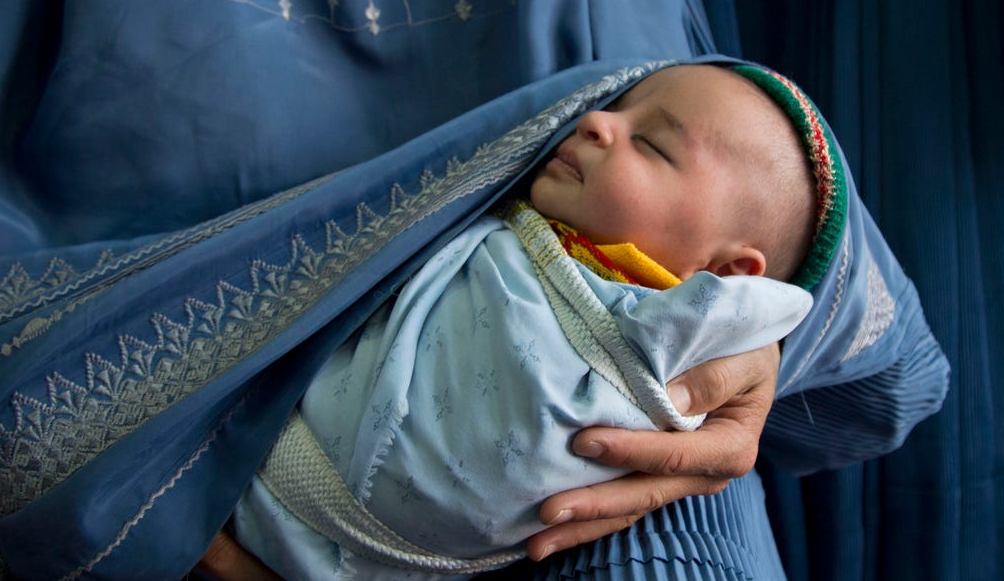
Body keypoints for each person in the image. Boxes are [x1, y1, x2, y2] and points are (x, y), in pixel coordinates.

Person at [225, 63, 838, 579]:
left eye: (650, 144)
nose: (595, 121)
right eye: (616, 107)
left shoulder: (663, 339)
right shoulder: (525, 227)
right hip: (250, 456)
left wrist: (755, 341)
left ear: (729, 275)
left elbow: (907, 382)